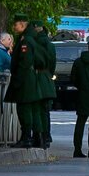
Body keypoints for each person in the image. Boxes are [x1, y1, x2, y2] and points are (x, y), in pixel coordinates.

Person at [3, 14, 43, 148]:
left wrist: (18, 80)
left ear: (22, 24)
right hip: (30, 79)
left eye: (16, 24)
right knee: (32, 109)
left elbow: (25, 63)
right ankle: (37, 137)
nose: (14, 27)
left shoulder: (25, 41)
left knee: (24, 109)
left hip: (25, 80)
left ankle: (26, 138)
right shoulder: (29, 39)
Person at [33, 20, 56, 148]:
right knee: (45, 110)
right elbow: (53, 63)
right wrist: (48, 74)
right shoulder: (50, 45)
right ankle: (46, 136)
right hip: (46, 79)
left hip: (35, 79)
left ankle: (37, 136)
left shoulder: (33, 43)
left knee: (34, 109)